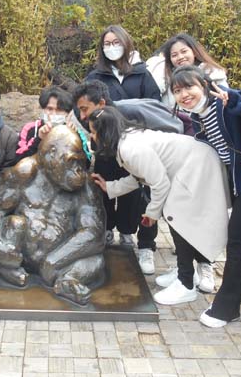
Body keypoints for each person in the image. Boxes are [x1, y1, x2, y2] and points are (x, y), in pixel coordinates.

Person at [169, 65, 241, 328]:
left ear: (204, 85)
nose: (184, 94)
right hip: (240, 182)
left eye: (189, 87)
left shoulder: (226, 102)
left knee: (237, 238)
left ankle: (227, 307)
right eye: (177, 90)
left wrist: (239, 100)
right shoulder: (199, 116)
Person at [88, 106, 230, 306]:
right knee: (179, 221)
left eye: (93, 132)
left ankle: (186, 284)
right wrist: (109, 186)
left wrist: (152, 213)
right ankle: (185, 273)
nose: (92, 137)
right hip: (190, 166)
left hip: (198, 167)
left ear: (105, 132)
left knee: (177, 218)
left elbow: (159, 183)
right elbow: (140, 176)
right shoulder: (127, 140)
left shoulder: (131, 148)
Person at [72, 80, 183, 276]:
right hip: (108, 160)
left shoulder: (131, 112)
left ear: (101, 103)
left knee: (141, 200)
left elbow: (169, 127)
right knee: (103, 194)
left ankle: (145, 245)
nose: (82, 116)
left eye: (84, 109)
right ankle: (106, 232)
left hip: (141, 162)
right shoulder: (87, 118)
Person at [146, 33, 227, 109]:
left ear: (194, 52)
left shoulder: (212, 72)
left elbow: (226, 98)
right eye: (174, 55)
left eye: (184, 51)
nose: (180, 57)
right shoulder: (168, 79)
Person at [85, 25, 161, 102]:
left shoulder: (142, 74)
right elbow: (83, 104)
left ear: (125, 43)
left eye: (116, 42)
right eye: (107, 44)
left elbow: (154, 105)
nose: (112, 47)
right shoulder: (95, 76)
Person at [15, 86, 75, 161]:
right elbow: (18, 159)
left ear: (68, 113)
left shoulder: (74, 131)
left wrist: (71, 136)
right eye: (49, 109)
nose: (54, 114)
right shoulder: (30, 128)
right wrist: (39, 139)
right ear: (43, 109)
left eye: (59, 110)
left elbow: (85, 163)